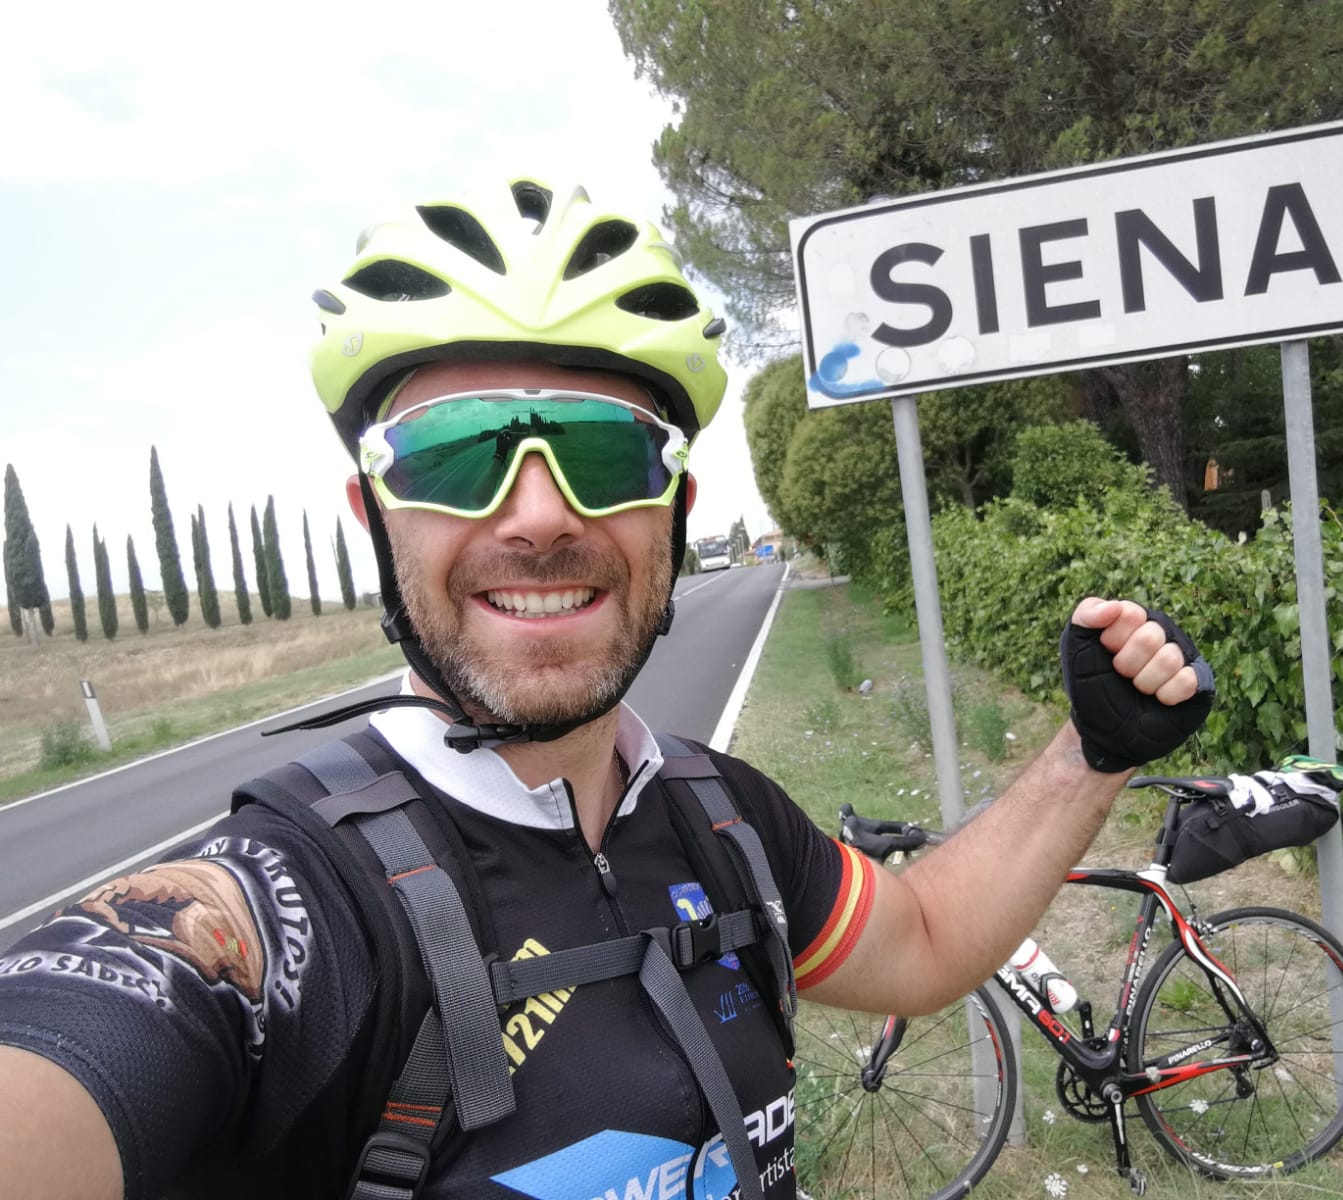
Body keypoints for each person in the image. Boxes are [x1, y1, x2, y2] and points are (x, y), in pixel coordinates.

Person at [0, 176, 1213, 1200]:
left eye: (599, 451)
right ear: (376, 517)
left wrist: (1087, 757)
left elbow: (932, 940)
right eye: (456, 455)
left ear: (674, 515)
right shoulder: (292, 902)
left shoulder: (722, 816)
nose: (537, 515)